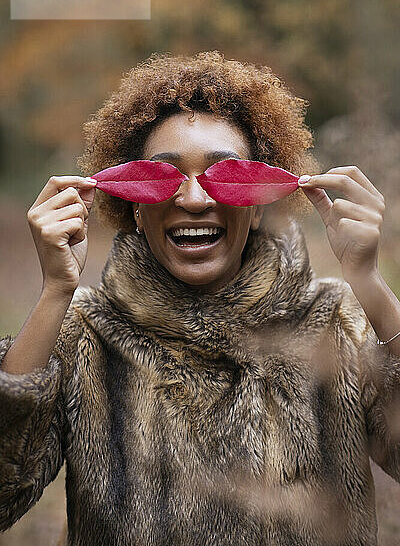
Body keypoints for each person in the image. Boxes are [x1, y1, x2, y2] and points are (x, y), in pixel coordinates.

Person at [0, 51, 399, 546]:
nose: (193, 199)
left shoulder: (333, 320)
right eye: (163, 177)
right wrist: (55, 292)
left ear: (255, 209)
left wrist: (369, 283)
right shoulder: (85, 332)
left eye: (223, 176)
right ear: (135, 210)